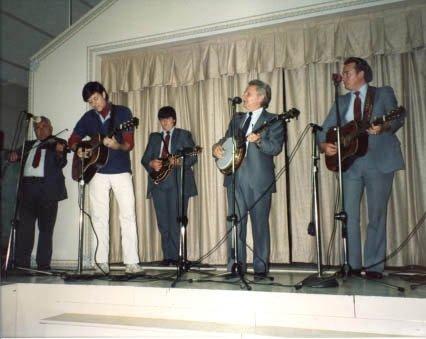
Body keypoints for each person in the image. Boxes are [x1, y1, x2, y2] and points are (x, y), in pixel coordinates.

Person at [318, 57, 406, 279]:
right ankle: (352, 265)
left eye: (347, 72)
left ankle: (375, 267)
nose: (344, 76)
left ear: (361, 74)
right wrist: (324, 145)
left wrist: (384, 125)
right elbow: (323, 129)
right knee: (348, 216)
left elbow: (398, 117)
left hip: (379, 161)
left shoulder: (382, 93)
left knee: (376, 215)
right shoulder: (341, 102)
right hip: (350, 164)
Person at [68, 81, 143, 274]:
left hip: (121, 171)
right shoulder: (88, 117)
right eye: (90, 101)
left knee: (127, 215)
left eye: (96, 98)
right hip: (97, 172)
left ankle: (132, 262)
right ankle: (100, 262)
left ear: (104, 93)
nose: (94, 104)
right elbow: (73, 139)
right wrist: (79, 150)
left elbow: (128, 145)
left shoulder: (123, 113)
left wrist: (116, 145)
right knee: (99, 217)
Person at [212, 79, 284, 278]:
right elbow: (226, 140)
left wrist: (259, 139)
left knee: (260, 225)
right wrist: (216, 148)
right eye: (245, 93)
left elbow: (275, 148)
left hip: (259, 180)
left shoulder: (274, 120)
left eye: (248, 93)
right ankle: (236, 267)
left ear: (261, 97)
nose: (244, 96)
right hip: (234, 179)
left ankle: (260, 269)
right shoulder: (237, 119)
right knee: (234, 224)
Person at [141, 106, 198, 266]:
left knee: (176, 221)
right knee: (163, 223)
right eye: (161, 119)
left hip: (177, 183)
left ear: (174, 120)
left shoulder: (184, 134)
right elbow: (144, 159)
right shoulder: (154, 137)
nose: (164, 122)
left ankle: (177, 257)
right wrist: (151, 163)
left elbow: (193, 157)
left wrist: (179, 162)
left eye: (167, 119)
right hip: (157, 183)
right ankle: (168, 257)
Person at [9, 117, 68, 270]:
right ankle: (22, 264)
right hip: (27, 189)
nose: (40, 130)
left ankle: (43, 265)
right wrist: (12, 156)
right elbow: (9, 155)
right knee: (24, 229)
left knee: (46, 230)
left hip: (47, 190)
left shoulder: (58, 143)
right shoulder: (28, 145)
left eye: (43, 127)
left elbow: (61, 163)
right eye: (36, 128)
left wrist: (60, 153)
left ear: (51, 128)